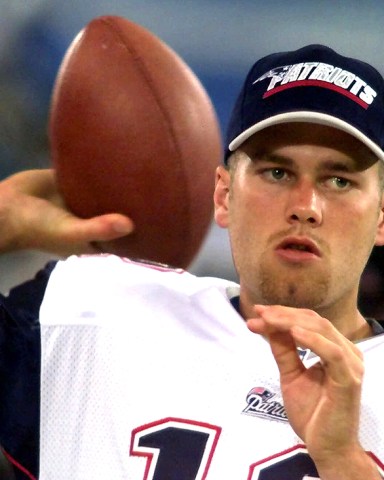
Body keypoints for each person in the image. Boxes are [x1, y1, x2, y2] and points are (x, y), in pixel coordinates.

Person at [1, 44, 384, 479]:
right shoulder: (96, 317)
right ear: (223, 196)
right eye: (277, 173)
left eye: (338, 180)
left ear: (382, 217)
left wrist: (343, 460)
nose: (306, 206)